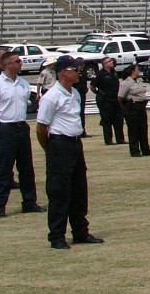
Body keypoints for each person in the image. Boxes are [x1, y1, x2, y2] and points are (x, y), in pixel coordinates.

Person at [35, 57, 103, 250]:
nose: (78, 72)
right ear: (63, 72)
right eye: (75, 69)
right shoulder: (51, 96)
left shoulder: (74, 93)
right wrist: (51, 149)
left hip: (74, 143)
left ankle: (80, 232)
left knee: (79, 190)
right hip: (59, 144)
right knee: (59, 192)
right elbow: (41, 128)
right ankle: (57, 236)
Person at [0, 52, 43, 218]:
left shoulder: (22, 83)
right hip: (5, 129)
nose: (20, 63)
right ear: (8, 64)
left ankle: (29, 202)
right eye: (17, 61)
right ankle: (0, 205)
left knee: (26, 168)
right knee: (3, 169)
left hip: (21, 127)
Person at [118, 64, 150, 157]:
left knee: (143, 128)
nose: (138, 71)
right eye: (137, 70)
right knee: (133, 130)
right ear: (132, 71)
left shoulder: (139, 81)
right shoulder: (127, 83)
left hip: (141, 106)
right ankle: (135, 150)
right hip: (132, 107)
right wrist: (125, 108)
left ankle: (145, 149)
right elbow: (120, 97)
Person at [93, 57, 124, 146]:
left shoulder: (113, 72)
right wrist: (100, 94)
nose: (112, 62)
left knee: (118, 119)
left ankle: (120, 139)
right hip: (106, 100)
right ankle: (108, 140)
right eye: (109, 61)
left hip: (115, 98)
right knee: (107, 120)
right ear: (105, 64)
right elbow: (92, 86)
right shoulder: (100, 74)